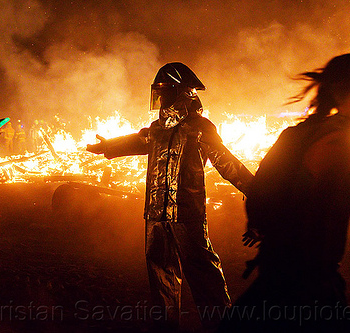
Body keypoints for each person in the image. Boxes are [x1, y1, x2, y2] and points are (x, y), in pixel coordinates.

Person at [219, 53, 350, 333]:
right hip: (304, 282)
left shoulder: (313, 133)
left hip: (288, 273)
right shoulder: (334, 141)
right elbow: (310, 206)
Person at [87, 62, 254, 331]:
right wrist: (108, 146)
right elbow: (136, 140)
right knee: (161, 276)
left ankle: (223, 326)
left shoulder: (200, 127)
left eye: (165, 92)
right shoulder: (157, 128)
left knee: (203, 273)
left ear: (181, 93)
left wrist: (255, 188)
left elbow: (226, 162)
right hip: (155, 214)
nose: (160, 99)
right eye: (159, 92)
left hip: (187, 214)